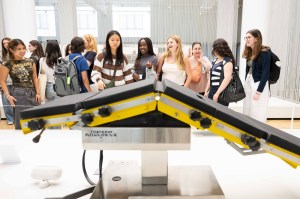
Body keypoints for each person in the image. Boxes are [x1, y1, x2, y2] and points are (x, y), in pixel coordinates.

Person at [0, 39, 41, 129]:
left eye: (23, 48)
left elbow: (35, 78)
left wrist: (38, 92)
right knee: (21, 123)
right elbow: (2, 80)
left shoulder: (30, 61)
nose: (22, 51)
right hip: (18, 94)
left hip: (32, 93)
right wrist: (8, 95)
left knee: (36, 120)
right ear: (11, 50)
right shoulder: (7, 63)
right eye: (19, 49)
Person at [242, 29, 271, 123]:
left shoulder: (265, 52)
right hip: (249, 81)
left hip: (258, 83)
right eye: (246, 37)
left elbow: (265, 73)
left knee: (257, 111)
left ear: (256, 39)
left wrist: (259, 91)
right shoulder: (250, 52)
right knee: (247, 108)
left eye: (249, 37)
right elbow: (248, 70)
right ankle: (247, 131)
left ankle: (258, 134)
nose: (246, 39)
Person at [204, 38, 234, 107]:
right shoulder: (215, 60)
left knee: (220, 115)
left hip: (222, 93)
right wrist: (206, 91)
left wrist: (217, 93)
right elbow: (211, 77)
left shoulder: (227, 61)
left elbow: (227, 78)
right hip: (212, 91)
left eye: (216, 48)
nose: (214, 50)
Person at [0, 37, 14, 125]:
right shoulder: (1, 55)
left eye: (7, 43)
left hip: (15, 81)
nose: (6, 45)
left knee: (17, 100)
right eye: (4, 43)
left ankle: (17, 117)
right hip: (4, 81)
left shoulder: (15, 54)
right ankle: (10, 119)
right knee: (6, 100)